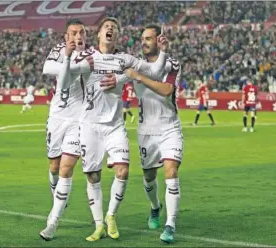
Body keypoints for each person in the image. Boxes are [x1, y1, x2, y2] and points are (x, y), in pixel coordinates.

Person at [73, 17, 168, 241]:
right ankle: (98, 225)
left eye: (114, 29)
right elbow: (64, 72)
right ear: (98, 34)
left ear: (118, 36)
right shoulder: (87, 57)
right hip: (89, 125)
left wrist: (124, 76)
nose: (110, 30)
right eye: (107, 27)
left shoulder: (124, 59)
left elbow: (154, 71)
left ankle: (111, 216)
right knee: (93, 175)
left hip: (115, 125)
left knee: (123, 171)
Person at [39, 18, 107, 241]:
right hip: (57, 117)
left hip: (79, 119)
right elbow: (47, 68)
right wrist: (66, 59)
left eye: (82, 33)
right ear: (66, 37)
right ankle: (57, 200)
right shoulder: (58, 49)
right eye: (74, 33)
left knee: (66, 168)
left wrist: (68, 62)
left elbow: (67, 78)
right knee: (54, 165)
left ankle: (52, 222)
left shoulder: (92, 55)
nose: (78, 36)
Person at [123, 24, 183, 244]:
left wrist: (139, 78)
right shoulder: (136, 64)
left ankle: (170, 225)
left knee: (171, 170)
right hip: (146, 130)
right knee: (149, 176)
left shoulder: (171, 64)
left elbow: (167, 91)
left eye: (148, 38)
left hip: (169, 127)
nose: (144, 42)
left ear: (160, 40)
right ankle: (155, 207)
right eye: (142, 38)